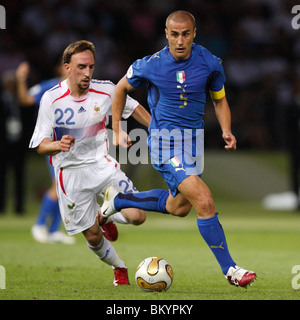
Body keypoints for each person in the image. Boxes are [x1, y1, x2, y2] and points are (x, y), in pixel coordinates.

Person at [103, 10, 257, 287]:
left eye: (186, 34)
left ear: (194, 33)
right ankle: (231, 270)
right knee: (204, 200)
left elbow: (219, 99)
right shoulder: (151, 64)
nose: (180, 40)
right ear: (166, 34)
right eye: (174, 34)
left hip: (193, 144)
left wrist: (226, 129)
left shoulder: (210, 62)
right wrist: (116, 129)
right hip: (164, 142)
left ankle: (118, 201)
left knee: (178, 207)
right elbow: (120, 89)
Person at [29, 40, 150, 285]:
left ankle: (104, 213)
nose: (87, 73)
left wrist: (158, 131)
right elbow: (39, 144)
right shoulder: (51, 99)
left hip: (103, 166)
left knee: (138, 216)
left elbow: (134, 107)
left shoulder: (106, 90)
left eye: (91, 67)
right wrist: (57, 145)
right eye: (81, 67)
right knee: (93, 237)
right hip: (70, 175)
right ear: (67, 67)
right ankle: (119, 267)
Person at [16, 59, 76, 244]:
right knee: (57, 186)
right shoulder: (49, 87)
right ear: (61, 67)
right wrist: (20, 79)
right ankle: (40, 225)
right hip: (53, 143)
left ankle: (53, 229)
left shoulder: (80, 90)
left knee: (68, 189)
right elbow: (25, 99)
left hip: (73, 145)